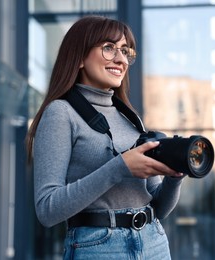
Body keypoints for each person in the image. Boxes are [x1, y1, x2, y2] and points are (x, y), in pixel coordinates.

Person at [26, 15, 185, 259]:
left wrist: (174, 178)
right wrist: (119, 168)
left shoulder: (130, 118)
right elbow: (47, 209)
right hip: (99, 247)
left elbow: (159, 208)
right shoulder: (61, 113)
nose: (121, 59)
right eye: (109, 48)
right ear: (79, 57)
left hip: (154, 242)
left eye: (125, 51)